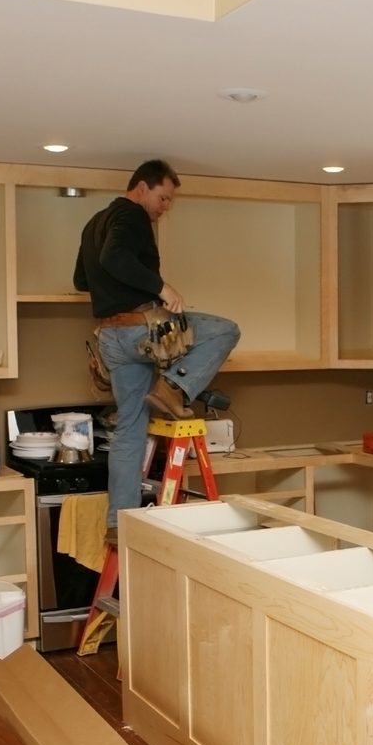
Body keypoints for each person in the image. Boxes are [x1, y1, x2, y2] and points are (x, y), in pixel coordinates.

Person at [73, 159, 240, 542]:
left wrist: (115, 289)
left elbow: (82, 278)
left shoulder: (93, 223)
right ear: (141, 188)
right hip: (142, 331)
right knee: (225, 330)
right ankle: (174, 387)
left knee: (130, 430)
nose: (165, 207)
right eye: (163, 198)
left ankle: (118, 522)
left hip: (111, 340)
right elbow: (114, 258)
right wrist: (161, 289)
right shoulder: (131, 216)